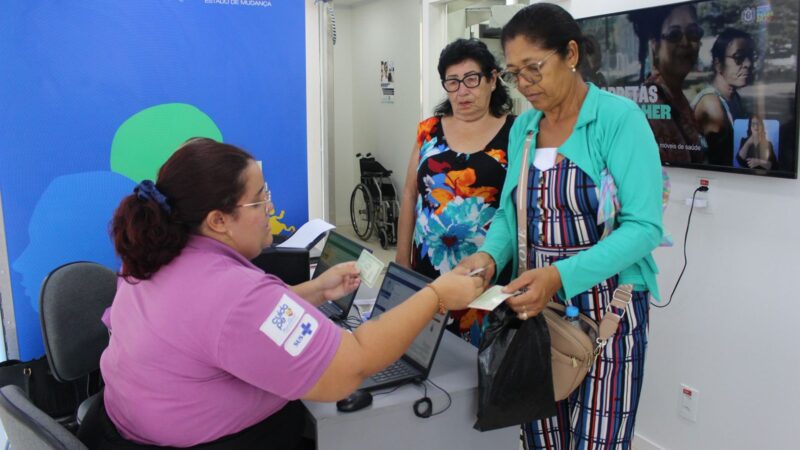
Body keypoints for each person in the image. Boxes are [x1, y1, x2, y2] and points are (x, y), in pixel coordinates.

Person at [78, 138, 483, 449]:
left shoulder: (154, 259)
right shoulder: (234, 294)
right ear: (219, 220)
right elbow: (352, 365)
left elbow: (225, 330)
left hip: (118, 427)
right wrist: (437, 296)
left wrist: (315, 290)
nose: (270, 209)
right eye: (260, 200)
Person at [459, 4, 663, 449]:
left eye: (534, 68)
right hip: (537, 310)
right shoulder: (525, 129)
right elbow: (512, 216)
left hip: (608, 314)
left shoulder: (618, 121)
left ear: (570, 54)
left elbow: (644, 227)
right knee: (540, 438)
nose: (525, 85)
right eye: (515, 74)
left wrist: (559, 277)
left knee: (597, 441)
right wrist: (490, 257)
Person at [395, 38, 514, 346]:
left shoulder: (516, 133)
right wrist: (401, 261)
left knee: (483, 359)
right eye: (453, 82)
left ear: (492, 79)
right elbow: (410, 194)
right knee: (431, 352)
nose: (462, 91)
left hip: (487, 274)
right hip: (429, 267)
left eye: (472, 79)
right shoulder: (429, 130)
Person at [630, 4, 704, 163]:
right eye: (674, 34)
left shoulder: (676, 95)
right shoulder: (652, 101)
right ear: (655, 45)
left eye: (693, 33)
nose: (686, 42)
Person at [692, 28, 755, 166]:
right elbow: (723, 162)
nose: (748, 64)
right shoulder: (711, 104)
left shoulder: (734, 97)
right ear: (718, 63)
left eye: (751, 56)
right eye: (739, 58)